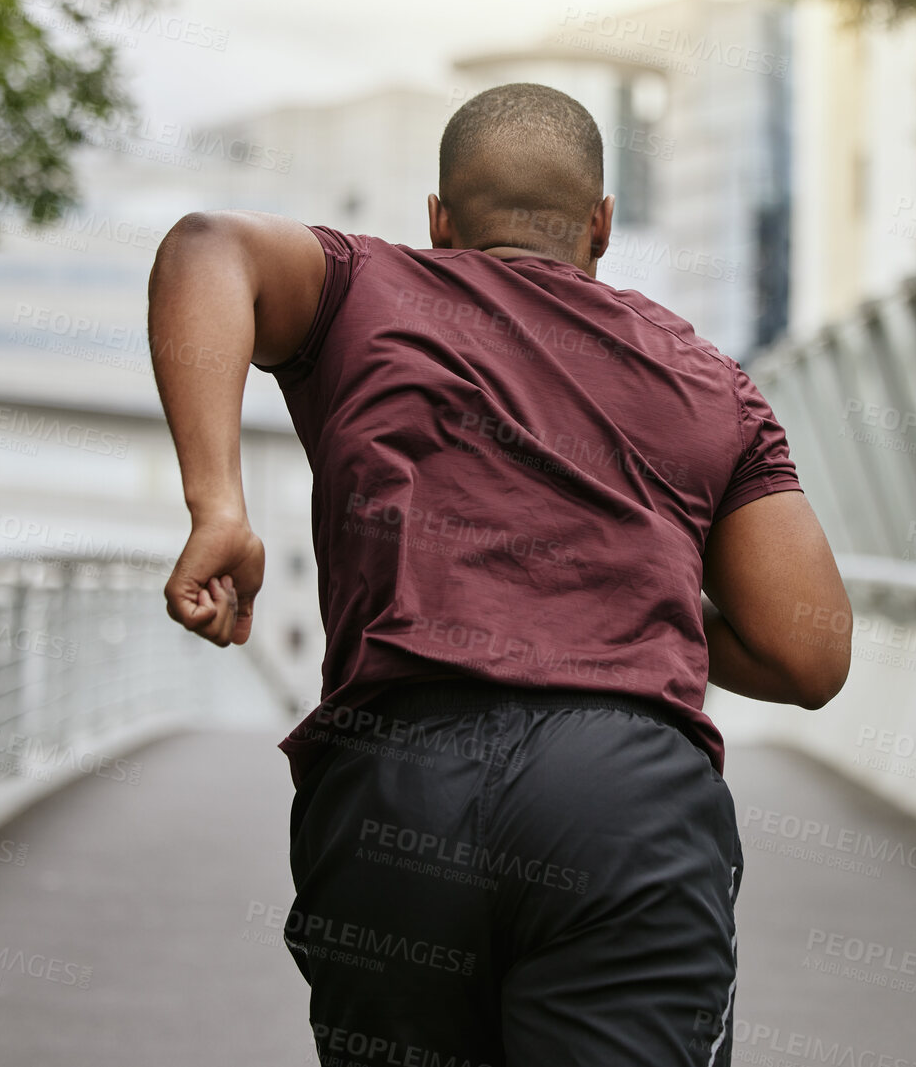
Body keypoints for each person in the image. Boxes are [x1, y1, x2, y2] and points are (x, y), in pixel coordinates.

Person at [146, 82, 851, 1067]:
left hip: (394, 784)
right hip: (622, 801)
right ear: (600, 224)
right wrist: (622, 590)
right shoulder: (709, 379)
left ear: (439, 220)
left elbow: (203, 245)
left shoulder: (366, 289)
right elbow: (807, 649)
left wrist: (218, 504)